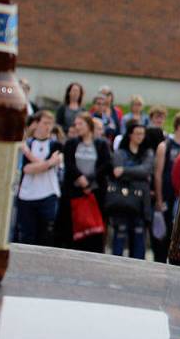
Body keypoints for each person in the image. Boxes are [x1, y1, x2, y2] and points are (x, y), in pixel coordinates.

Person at [60, 113, 112, 252]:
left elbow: (106, 164)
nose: (77, 127)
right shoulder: (71, 143)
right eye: (75, 124)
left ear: (89, 126)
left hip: (94, 192)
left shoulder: (101, 144)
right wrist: (79, 178)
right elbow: (69, 163)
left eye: (80, 124)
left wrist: (89, 180)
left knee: (93, 230)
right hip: (74, 191)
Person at [151, 113, 180, 263]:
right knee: (162, 234)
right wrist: (159, 198)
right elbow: (158, 174)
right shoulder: (165, 146)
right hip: (166, 194)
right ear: (179, 126)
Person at [16, 111, 63, 246]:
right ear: (36, 124)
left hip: (47, 194)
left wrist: (33, 157)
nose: (47, 127)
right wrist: (47, 163)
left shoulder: (55, 145)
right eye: (44, 123)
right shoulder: (29, 143)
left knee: (46, 236)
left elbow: (54, 162)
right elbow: (26, 169)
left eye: (50, 124)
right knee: (27, 235)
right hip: (27, 195)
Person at [109, 121, 154, 259]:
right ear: (130, 135)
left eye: (142, 134)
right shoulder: (120, 153)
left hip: (141, 202)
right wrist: (136, 174)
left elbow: (146, 170)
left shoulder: (147, 153)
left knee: (139, 236)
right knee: (120, 235)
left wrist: (125, 171)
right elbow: (116, 172)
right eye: (137, 133)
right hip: (122, 200)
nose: (140, 136)